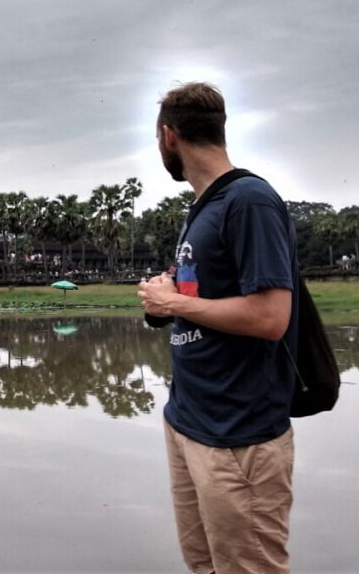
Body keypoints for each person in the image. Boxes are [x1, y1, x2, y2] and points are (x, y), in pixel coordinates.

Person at [138, 82, 299, 574]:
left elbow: (270, 318)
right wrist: (166, 301)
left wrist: (180, 305)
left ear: (169, 136)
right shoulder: (203, 210)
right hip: (190, 419)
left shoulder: (248, 201)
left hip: (239, 433)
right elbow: (207, 299)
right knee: (206, 566)